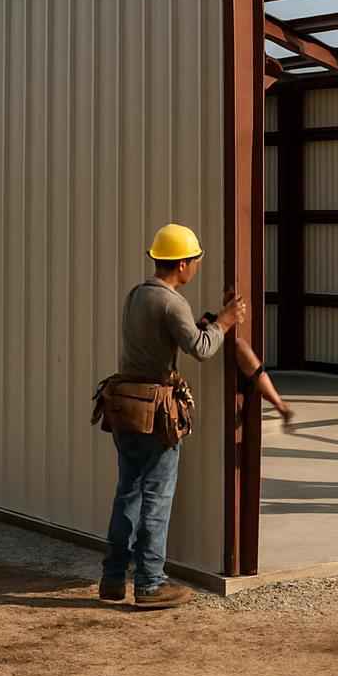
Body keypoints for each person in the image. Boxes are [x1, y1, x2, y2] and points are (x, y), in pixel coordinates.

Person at [98, 222, 295, 609]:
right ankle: (150, 583)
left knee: (128, 494)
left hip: (124, 406)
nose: (197, 267)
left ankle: (113, 577)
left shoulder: (137, 295)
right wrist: (224, 321)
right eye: (196, 261)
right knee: (156, 496)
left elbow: (165, 338)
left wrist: (207, 325)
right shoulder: (173, 303)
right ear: (183, 263)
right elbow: (202, 349)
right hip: (154, 413)